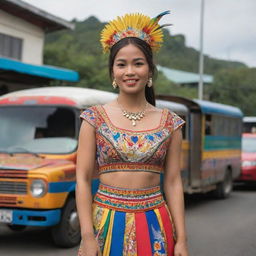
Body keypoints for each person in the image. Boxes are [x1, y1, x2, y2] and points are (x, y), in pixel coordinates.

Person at [76, 11, 189, 256]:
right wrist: (87, 236)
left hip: (155, 224)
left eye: (138, 63)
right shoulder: (93, 119)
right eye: (121, 64)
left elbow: (172, 182)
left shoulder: (171, 123)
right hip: (104, 223)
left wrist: (181, 239)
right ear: (113, 72)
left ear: (149, 70)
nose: (130, 71)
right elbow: (83, 179)